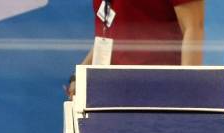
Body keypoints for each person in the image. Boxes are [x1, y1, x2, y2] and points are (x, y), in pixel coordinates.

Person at [67, 0, 204, 99]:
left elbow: (194, 27)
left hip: (159, 88)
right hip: (114, 91)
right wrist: (80, 74)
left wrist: (187, 90)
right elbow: (106, 38)